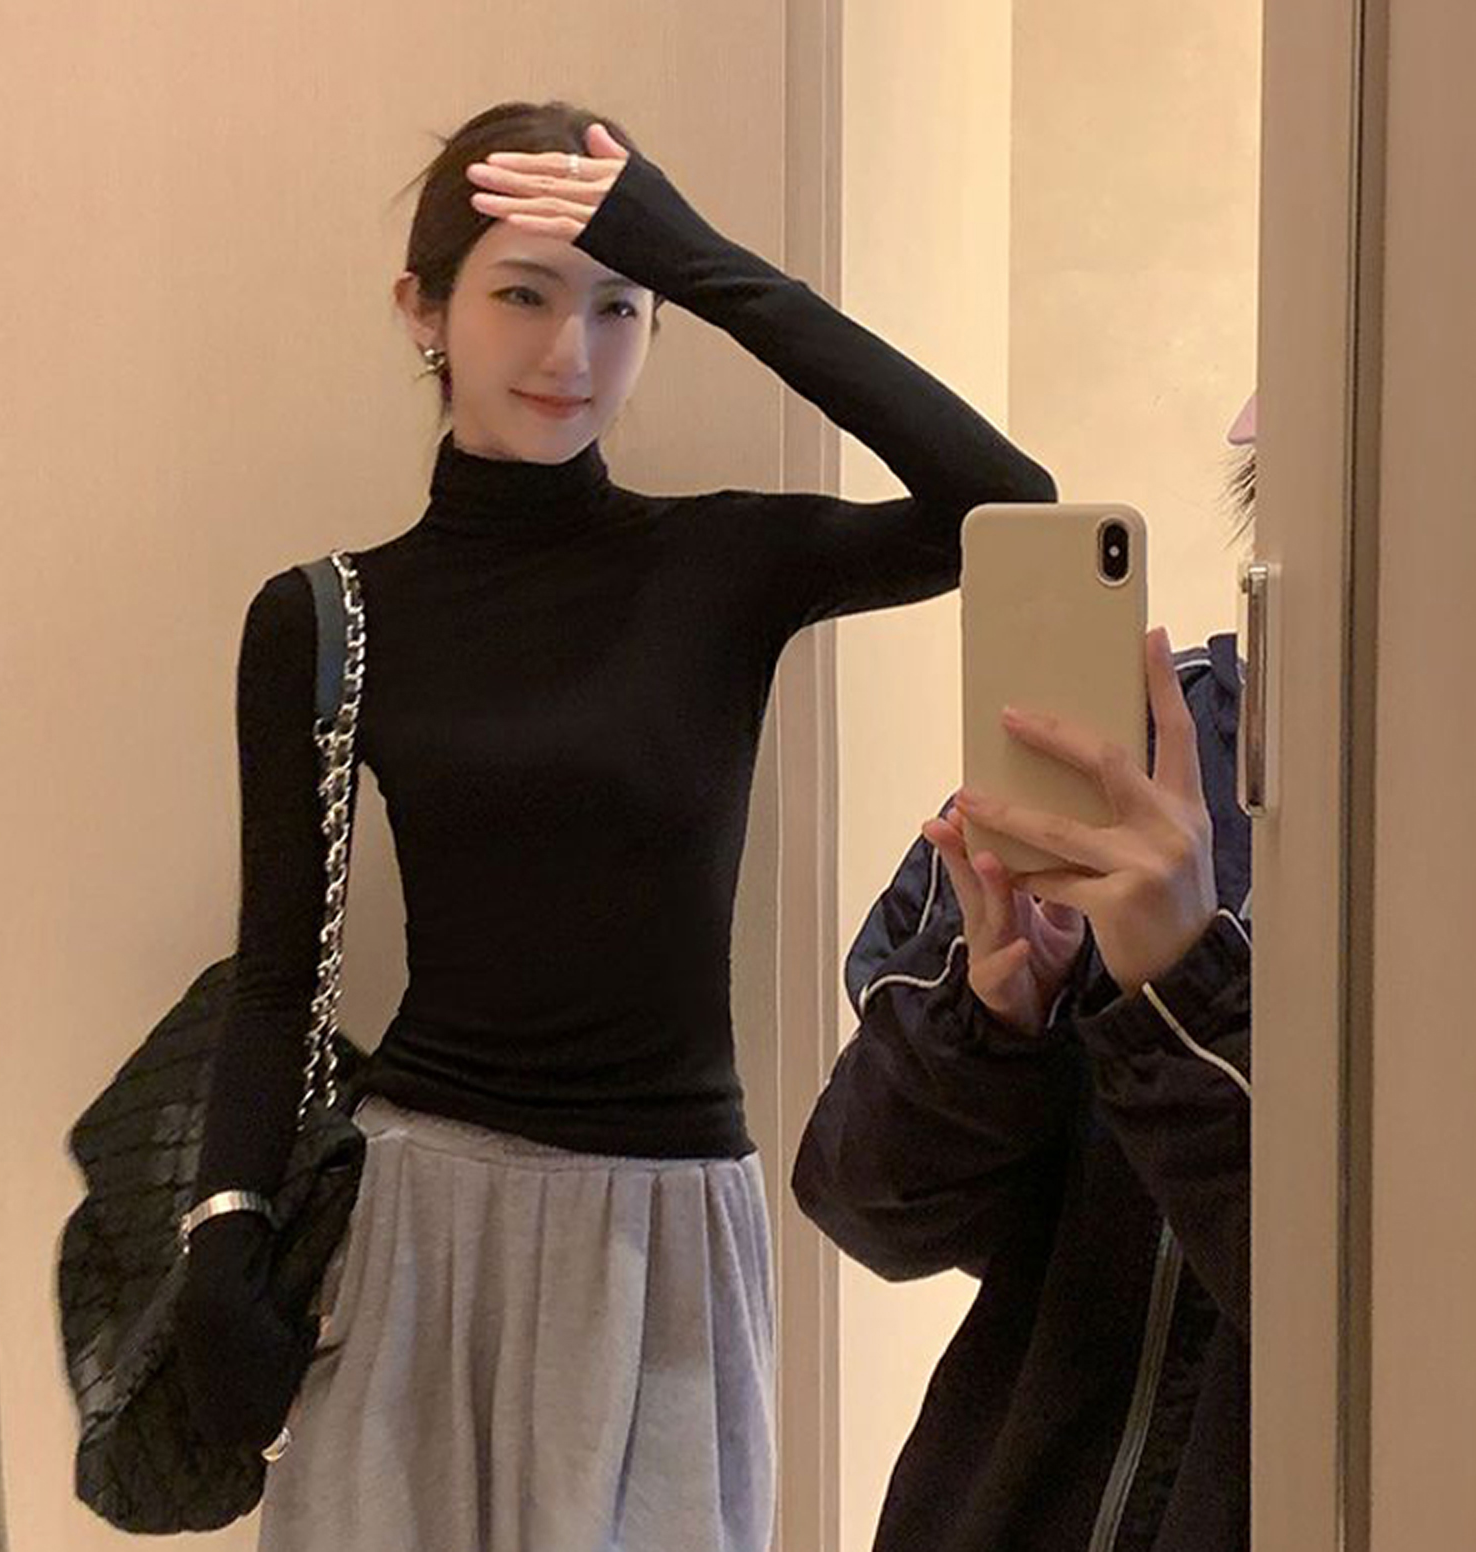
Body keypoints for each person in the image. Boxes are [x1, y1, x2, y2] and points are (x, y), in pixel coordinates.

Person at [174, 97, 1056, 1552]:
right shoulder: (327, 616)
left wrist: (707, 262)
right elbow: (278, 976)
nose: (571, 353)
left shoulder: (721, 564)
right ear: (423, 309)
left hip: (666, 1249)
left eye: (619, 305)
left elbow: (1005, 506)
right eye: (522, 295)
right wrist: (223, 1228)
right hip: (416, 1241)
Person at [792, 410, 1258, 1551]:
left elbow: (1368, 1322)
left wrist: (1177, 989)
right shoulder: (1128, 762)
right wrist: (997, 1020)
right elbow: (866, 1207)